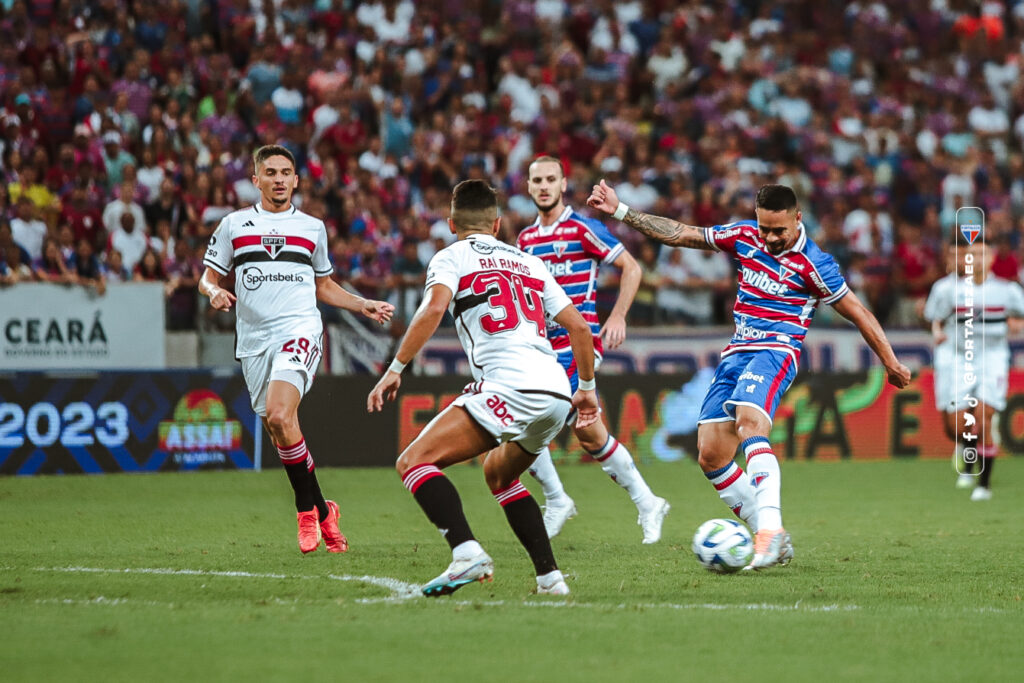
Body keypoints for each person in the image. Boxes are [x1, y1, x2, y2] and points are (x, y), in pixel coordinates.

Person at [587, 181, 912, 569]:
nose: (771, 238)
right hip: (736, 352)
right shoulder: (743, 235)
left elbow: (859, 312)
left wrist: (890, 361)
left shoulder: (815, 264)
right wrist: (621, 211)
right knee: (711, 454)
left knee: (749, 421)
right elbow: (681, 234)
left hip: (777, 351)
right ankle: (771, 535)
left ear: (798, 219)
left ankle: (769, 531)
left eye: (779, 230)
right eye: (764, 229)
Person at [367, 179, 599, 597]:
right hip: (555, 391)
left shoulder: (450, 256)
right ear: (496, 225)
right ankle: (550, 579)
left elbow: (434, 308)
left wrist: (395, 367)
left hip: (510, 385)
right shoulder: (529, 262)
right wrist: (586, 388)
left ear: (451, 223)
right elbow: (579, 327)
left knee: (414, 461)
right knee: (499, 472)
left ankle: (466, 552)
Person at [200, 144, 394, 554]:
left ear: (296, 180)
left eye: (285, 172)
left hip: (300, 329)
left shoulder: (312, 227)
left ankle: (305, 512)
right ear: (256, 180)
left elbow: (324, 285)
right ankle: (326, 510)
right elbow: (207, 278)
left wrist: (362, 304)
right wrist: (213, 292)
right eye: (270, 172)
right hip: (253, 340)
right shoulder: (234, 225)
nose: (279, 179)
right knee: (279, 427)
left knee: (280, 413)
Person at [516, 156, 670, 543]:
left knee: (529, 411)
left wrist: (617, 316)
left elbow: (631, 268)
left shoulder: (583, 227)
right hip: (541, 346)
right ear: (529, 187)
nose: (545, 186)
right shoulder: (525, 241)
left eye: (552, 179)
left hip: (577, 342)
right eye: (538, 180)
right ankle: (648, 501)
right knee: (591, 435)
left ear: (564, 184)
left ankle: (556, 499)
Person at [923, 234, 1024, 501]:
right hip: (959, 357)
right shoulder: (950, 290)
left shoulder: (1007, 290)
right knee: (956, 427)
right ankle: (967, 448)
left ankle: (983, 484)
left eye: (982, 254)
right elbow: (935, 317)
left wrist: (1018, 324)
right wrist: (937, 331)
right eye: (972, 254)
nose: (977, 259)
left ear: (992, 259)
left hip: (992, 359)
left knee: (983, 417)